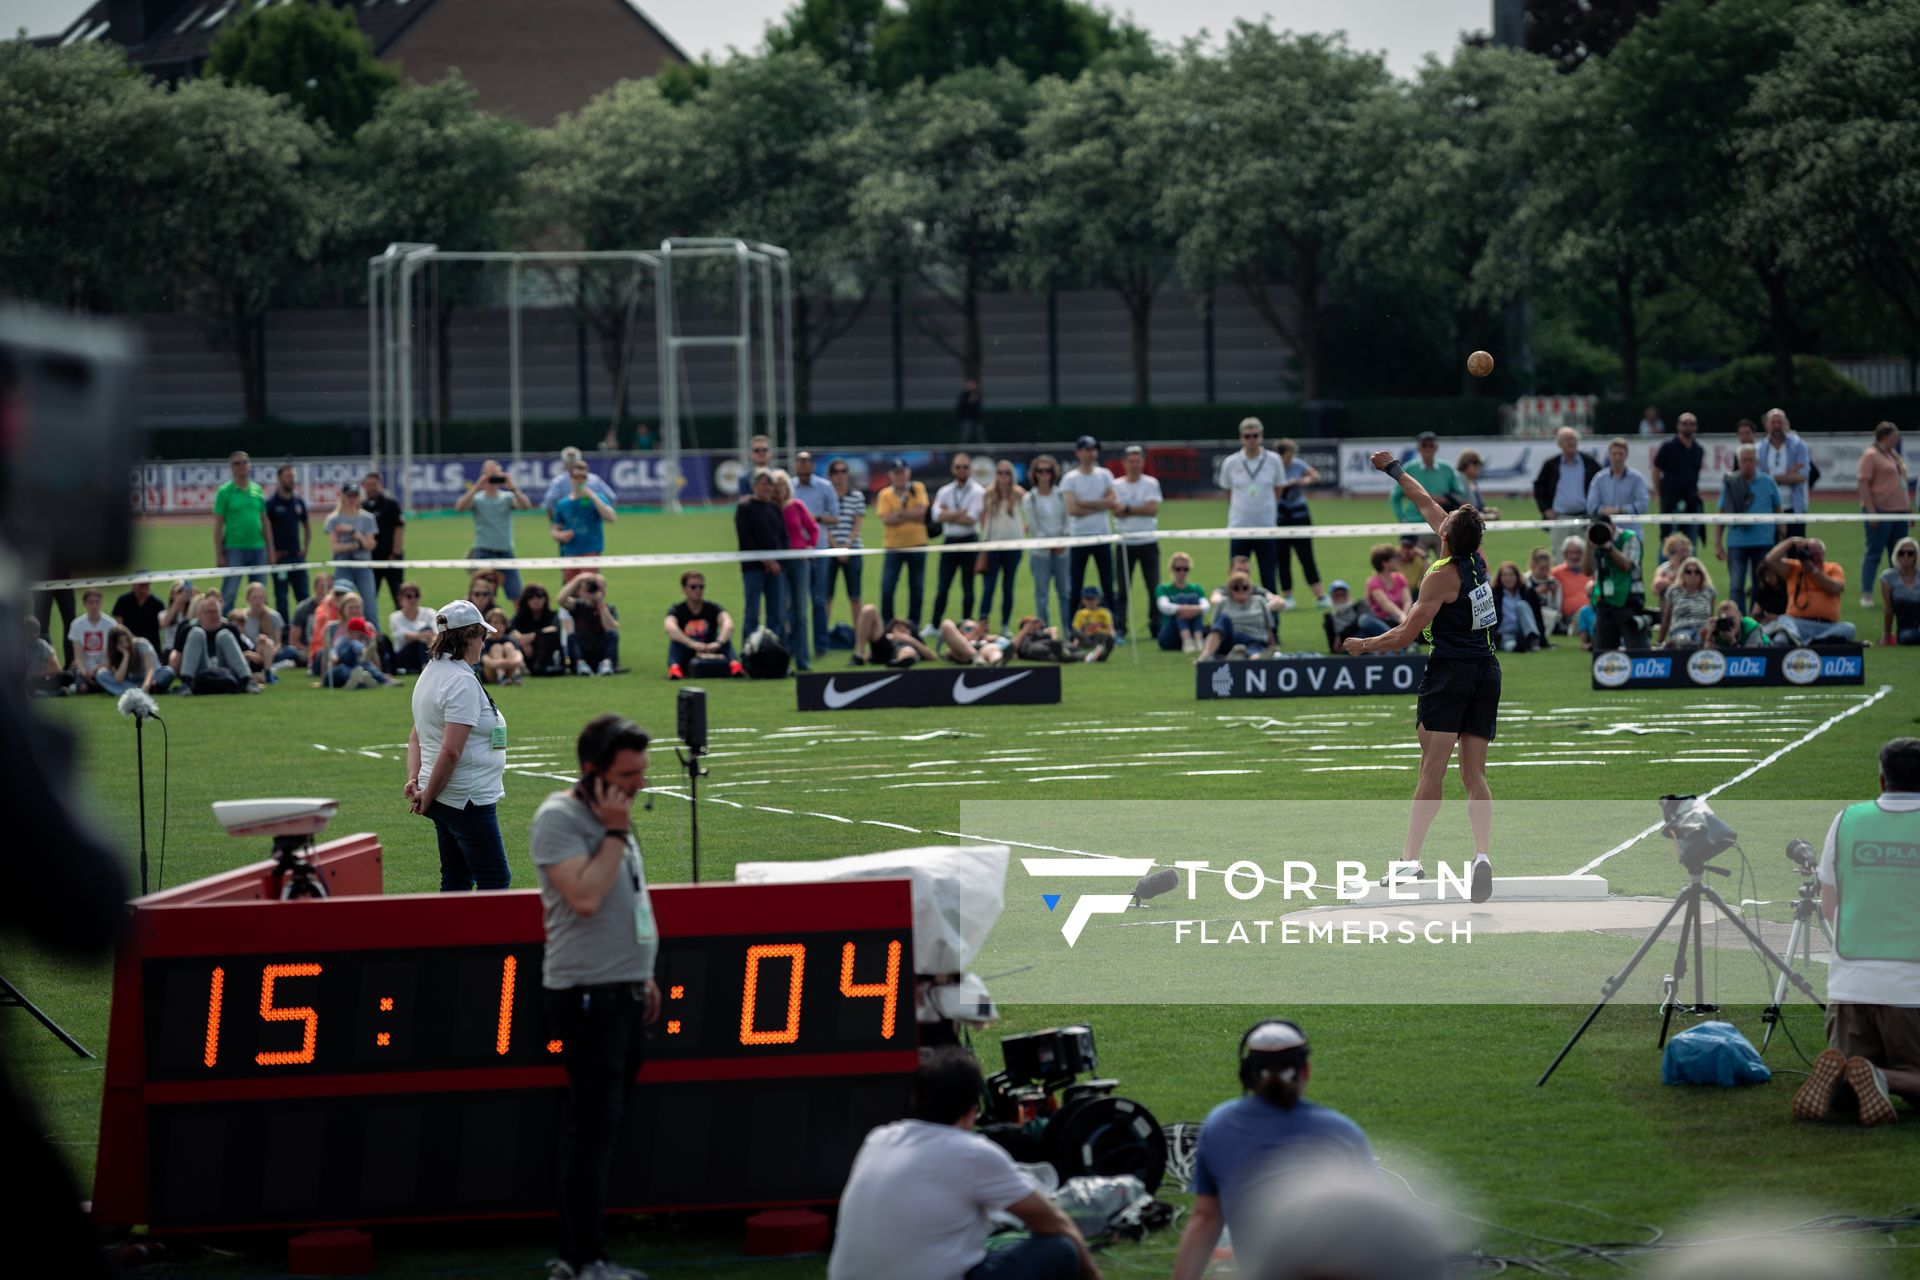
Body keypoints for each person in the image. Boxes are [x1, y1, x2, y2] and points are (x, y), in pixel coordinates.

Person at [528, 716, 660, 1280]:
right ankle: (583, 1259)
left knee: (601, 1129)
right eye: (628, 774)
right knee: (591, 1132)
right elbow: (583, 896)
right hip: (587, 998)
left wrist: (642, 972)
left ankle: (584, 1253)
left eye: (641, 772)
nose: (639, 784)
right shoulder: (560, 819)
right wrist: (612, 831)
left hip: (622, 992)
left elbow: (626, 901)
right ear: (592, 772)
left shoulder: (614, 818)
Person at [1343, 451, 1498, 903]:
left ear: (1446, 535)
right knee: (1475, 774)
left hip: (1450, 672)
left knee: (1432, 769)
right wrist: (1393, 470)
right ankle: (1482, 857)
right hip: (1487, 672)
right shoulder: (1477, 560)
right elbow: (1424, 500)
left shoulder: (1440, 577)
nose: (1439, 516)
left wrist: (1363, 646)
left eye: (1444, 520)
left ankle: (1409, 862)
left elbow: (1406, 634)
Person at [829, 1046, 1099, 1280]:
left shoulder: (879, 1138)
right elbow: (1056, 1224)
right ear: (971, 1111)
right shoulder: (972, 1152)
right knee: (1060, 1249)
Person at [1170, 1020, 1373, 1280]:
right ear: (1306, 1070)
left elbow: (1205, 1220)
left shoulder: (1220, 1125)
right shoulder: (1343, 1133)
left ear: (1247, 1074)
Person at [1790, 738, 1920, 1125]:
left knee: (1853, 1078)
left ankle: (1846, 1077)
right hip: (1911, 990)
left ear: (1882, 781)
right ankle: (1880, 1077)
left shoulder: (1847, 819)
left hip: (1849, 988)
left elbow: (1829, 906)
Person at [405, 600, 509, 891]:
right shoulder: (459, 681)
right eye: (482, 637)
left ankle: (447, 936)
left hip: (444, 795)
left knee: (456, 880)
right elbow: (451, 751)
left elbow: (416, 736)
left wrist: (415, 781)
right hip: (466, 798)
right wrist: (427, 793)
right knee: (495, 880)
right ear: (467, 636)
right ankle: (491, 938)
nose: (484, 644)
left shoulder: (432, 672)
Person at [1714, 441, 1783, 612]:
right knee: (1736, 585)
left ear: (1757, 461)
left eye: (1751, 460)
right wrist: (1717, 542)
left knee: (1759, 584)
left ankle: (1754, 620)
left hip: (1763, 541)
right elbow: (1721, 513)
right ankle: (1737, 620)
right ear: (1739, 461)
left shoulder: (1768, 482)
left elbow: (1778, 510)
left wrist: (1781, 537)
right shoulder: (1730, 482)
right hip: (1737, 542)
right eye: (1744, 460)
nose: (1748, 464)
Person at [1221, 418, 1286, 594]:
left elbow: (1278, 490)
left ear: (1261, 436)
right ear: (1241, 437)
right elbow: (1228, 492)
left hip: (1266, 527)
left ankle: (1271, 619)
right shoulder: (1230, 462)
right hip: (1239, 527)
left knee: (1269, 577)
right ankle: (1237, 618)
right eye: (1247, 436)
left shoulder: (1274, 460)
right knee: (1237, 578)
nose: (1251, 439)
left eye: (1255, 435)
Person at [1061, 436, 1118, 628]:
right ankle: (1073, 628)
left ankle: (1113, 627)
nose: (1091, 453)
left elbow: (1112, 501)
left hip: (1102, 536)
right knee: (1075, 588)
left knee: (1108, 586)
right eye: (1087, 449)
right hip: (1079, 539)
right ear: (1078, 452)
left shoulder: (1105, 474)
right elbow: (1072, 510)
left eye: (1094, 449)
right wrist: (1100, 505)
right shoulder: (1070, 478)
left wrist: (1085, 502)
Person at [457, 460, 532, 602]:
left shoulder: (507, 497)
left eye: (496, 475)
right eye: (489, 475)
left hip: (505, 550)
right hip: (483, 551)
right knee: (480, 595)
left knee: (517, 594)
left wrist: (513, 487)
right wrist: (476, 487)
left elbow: (526, 506)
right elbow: (460, 507)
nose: (493, 479)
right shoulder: (477, 499)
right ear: (483, 476)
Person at [211, 451, 274, 611]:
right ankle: (223, 628)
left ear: (249, 465)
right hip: (234, 548)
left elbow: (265, 521)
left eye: (244, 462)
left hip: (258, 548)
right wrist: (219, 553)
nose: (241, 466)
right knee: (229, 593)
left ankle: (262, 630)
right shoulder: (224, 491)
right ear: (231, 468)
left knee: (260, 593)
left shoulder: (257, 489)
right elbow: (218, 524)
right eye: (236, 463)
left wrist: (270, 550)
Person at [1111, 445, 1162, 637]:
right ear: (1124, 463)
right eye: (1130, 461)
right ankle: (1121, 627)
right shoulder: (1116, 485)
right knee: (1123, 590)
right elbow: (1115, 510)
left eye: (1138, 461)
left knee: (1153, 587)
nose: (1134, 465)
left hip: (1148, 540)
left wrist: (1127, 509)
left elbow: (1152, 509)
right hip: (1125, 543)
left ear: (1143, 462)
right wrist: (1135, 508)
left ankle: (1155, 626)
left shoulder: (1151, 483)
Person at [1858, 422, 1912, 605]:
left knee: (1899, 554)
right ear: (1885, 436)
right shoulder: (1871, 455)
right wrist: (1871, 512)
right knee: (1874, 553)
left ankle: (1898, 591)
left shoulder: (1893, 455)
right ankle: (1867, 593)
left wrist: (1908, 508)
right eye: (1894, 435)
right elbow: (1863, 483)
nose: (1897, 439)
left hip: (1899, 512)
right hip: (1881, 510)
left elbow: (1901, 484)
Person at [792, 451, 841, 653]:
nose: (803, 465)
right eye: (800, 461)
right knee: (794, 603)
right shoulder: (788, 486)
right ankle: (794, 644)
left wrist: (813, 519)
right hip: (795, 552)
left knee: (819, 600)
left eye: (807, 461)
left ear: (812, 465)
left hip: (819, 550)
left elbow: (835, 517)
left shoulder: (825, 487)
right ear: (795, 464)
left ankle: (821, 644)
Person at [1766, 536, 1855, 646]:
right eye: (1811, 555)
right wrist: (1791, 542)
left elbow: (1835, 587)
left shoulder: (1833, 568)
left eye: (1818, 554)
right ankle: (1800, 639)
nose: (1816, 558)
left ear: (1823, 554)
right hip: (1797, 624)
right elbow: (1770, 559)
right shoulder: (1795, 568)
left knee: (1848, 628)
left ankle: (1809, 642)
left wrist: (1813, 570)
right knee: (1784, 620)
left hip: (1826, 626)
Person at [773, 469, 821, 671]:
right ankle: (782, 659)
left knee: (800, 613)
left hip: (799, 562)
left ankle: (802, 659)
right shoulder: (769, 509)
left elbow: (813, 529)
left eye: (782, 486)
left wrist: (809, 546)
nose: (778, 491)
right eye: (775, 487)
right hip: (778, 564)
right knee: (781, 612)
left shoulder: (797, 506)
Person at [875, 459, 930, 631]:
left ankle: (914, 625)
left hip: (918, 545)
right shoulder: (884, 494)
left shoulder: (918, 488)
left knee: (917, 588)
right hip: (894, 547)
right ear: (890, 475)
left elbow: (922, 513)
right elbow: (886, 519)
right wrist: (909, 514)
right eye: (896, 472)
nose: (900, 476)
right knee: (888, 587)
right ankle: (888, 624)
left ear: (908, 473)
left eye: (902, 472)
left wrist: (898, 513)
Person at [1272, 439, 1328, 608]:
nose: (1290, 459)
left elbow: (1315, 475)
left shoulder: (1297, 465)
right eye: (1287, 456)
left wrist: (1304, 481)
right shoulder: (1273, 467)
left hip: (1300, 516)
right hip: (1280, 516)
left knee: (1306, 556)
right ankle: (1287, 596)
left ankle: (1320, 596)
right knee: (1283, 558)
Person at [736, 468, 788, 638]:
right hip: (753, 569)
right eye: (764, 484)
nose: (767, 488)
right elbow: (746, 539)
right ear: (754, 486)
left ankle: (775, 656)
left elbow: (783, 538)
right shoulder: (745, 507)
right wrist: (766, 561)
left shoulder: (774, 508)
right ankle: (749, 655)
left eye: (770, 484)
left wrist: (778, 562)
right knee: (752, 614)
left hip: (776, 569)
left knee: (777, 615)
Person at [1022, 454, 1071, 627]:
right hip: (1040, 553)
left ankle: (1068, 632)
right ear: (1034, 474)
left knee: (1065, 593)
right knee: (1041, 595)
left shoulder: (1060, 495)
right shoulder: (1029, 498)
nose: (1044, 474)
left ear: (1053, 473)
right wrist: (1051, 544)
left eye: (1048, 471)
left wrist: (1062, 541)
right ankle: (1046, 632)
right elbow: (1035, 527)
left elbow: (1067, 521)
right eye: (1040, 471)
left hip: (1062, 552)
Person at [1532, 426, 1601, 549]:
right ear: (1559, 444)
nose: (1571, 442)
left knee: (1586, 558)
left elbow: (1602, 483)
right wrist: (1545, 509)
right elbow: (1539, 487)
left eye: (1573, 439)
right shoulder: (1551, 464)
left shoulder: (1589, 462)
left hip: (1585, 519)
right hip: (1560, 519)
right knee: (1560, 558)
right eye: (1567, 439)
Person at [977, 460, 1026, 633]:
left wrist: (1021, 529)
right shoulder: (988, 494)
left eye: (1007, 473)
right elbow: (983, 520)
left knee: (1008, 587)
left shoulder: (1019, 493)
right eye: (1000, 472)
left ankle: (1005, 625)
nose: (1003, 476)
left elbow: (1028, 514)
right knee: (989, 587)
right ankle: (982, 623)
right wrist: (985, 543)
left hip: (1013, 546)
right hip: (993, 546)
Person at [1587, 512, 1648, 650]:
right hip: (1605, 601)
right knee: (1603, 650)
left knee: (1636, 647)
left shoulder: (1629, 538)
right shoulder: (1594, 540)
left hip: (1629, 599)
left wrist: (1610, 548)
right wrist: (1589, 546)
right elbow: (1587, 570)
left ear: (1612, 527)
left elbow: (1626, 565)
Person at [664, 571, 741, 678]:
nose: (698, 590)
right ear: (684, 589)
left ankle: (735, 665)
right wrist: (691, 643)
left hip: (710, 647)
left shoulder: (712, 608)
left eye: (701, 586)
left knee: (724, 637)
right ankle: (675, 668)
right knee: (676, 640)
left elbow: (728, 624)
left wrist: (718, 642)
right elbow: (669, 628)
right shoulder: (677, 610)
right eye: (693, 587)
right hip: (689, 649)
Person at [177, 591, 258, 694]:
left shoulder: (230, 628)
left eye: (216, 612)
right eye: (209, 612)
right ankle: (186, 683)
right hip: (202, 670)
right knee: (197, 633)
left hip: (224, 670)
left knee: (224, 635)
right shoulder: (188, 629)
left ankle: (246, 680)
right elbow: (177, 656)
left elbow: (244, 654)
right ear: (200, 614)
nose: (213, 616)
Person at [552, 461, 616, 581]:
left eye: (584, 477)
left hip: (590, 552)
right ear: (570, 478)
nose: (580, 480)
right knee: (571, 591)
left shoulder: (597, 498)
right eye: (577, 477)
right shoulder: (563, 504)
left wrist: (592, 496)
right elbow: (554, 530)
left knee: (588, 590)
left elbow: (611, 517)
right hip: (569, 553)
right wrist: (561, 535)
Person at [822, 458, 866, 632]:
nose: (840, 475)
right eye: (836, 472)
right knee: (826, 596)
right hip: (829, 551)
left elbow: (857, 524)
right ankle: (823, 634)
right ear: (830, 475)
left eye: (843, 471)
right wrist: (835, 547)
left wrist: (846, 545)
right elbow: (823, 526)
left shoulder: (857, 496)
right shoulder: (825, 497)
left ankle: (859, 632)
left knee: (855, 596)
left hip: (853, 549)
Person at [265, 463, 311, 621]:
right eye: (288, 476)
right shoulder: (271, 503)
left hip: (297, 558)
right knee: (282, 598)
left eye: (293, 476)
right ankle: (284, 632)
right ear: (279, 478)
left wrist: (305, 548)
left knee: (304, 596)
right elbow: (265, 529)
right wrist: (271, 552)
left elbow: (307, 526)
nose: (292, 480)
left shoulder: (299, 502)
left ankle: (305, 629)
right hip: (280, 559)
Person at [1196, 572, 1276, 662]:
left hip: (1255, 639)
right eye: (1236, 588)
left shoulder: (1259, 601)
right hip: (1230, 639)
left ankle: (1254, 658)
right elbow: (1215, 628)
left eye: (1244, 588)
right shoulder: (1223, 603)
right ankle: (1205, 657)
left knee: (1253, 648)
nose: (1241, 591)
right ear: (1230, 590)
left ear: (1250, 589)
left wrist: (1272, 645)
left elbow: (1269, 628)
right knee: (1224, 618)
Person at [1653, 412, 1706, 546]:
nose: (1688, 426)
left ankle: (1689, 566)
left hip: (1691, 499)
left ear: (1696, 427)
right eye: (1684, 423)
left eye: (1692, 423)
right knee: (1667, 540)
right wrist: (1658, 493)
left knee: (1690, 541)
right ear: (1678, 426)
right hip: (1671, 499)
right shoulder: (1667, 447)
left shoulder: (1698, 449)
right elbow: (1656, 469)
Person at [1758, 407, 1811, 540]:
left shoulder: (1798, 445)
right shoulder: (1759, 449)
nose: (1777, 426)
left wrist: (1772, 478)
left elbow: (1802, 476)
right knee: (1771, 552)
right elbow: (1758, 479)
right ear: (1766, 425)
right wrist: (1787, 476)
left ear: (1786, 423)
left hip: (1794, 507)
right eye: (1773, 422)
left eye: (1780, 422)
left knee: (1796, 551)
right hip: (1768, 508)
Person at [1585, 436, 1650, 541]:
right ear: (1609, 455)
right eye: (1614, 454)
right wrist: (1604, 511)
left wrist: (1620, 510)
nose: (1617, 458)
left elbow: (1643, 505)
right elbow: (1591, 506)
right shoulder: (1599, 478)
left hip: (1631, 535)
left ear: (1626, 455)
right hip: (1605, 535)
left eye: (1621, 454)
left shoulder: (1637, 478)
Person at [324, 482, 379, 604]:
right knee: (342, 604)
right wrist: (356, 545)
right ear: (343, 496)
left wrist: (354, 532)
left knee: (370, 605)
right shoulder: (333, 519)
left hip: (363, 566)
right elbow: (335, 547)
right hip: (343, 565)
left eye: (355, 495)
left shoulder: (368, 518)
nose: (352, 499)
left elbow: (369, 545)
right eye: (349, 495)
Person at [558, 572, 621, 676]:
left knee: (613, 635)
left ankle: (606, 664)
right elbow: (561, 599)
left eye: (599, 587)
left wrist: (600, 604)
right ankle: (580, 664)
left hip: (600, 649)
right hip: (583, 649)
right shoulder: (578, 605)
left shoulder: (609, 609)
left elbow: (610, 628)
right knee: (572, 637)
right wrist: (578, 579)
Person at [359, 471, 405, 611]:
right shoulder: (361, 507)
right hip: (371, 560)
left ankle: (402, 627)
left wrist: (395, 553)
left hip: (391, 558)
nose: (372, 487)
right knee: (370, 597)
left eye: (374, 484)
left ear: (381, 485)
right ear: (364, 486)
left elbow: (399, 528)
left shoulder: (391, 504)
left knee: (398, 595)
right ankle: (370, 628)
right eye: (369, 485)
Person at [326, 593, 393, 689]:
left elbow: (374, 653)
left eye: (357, 607)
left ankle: (365, 678)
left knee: (364, 665)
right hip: (343, 663)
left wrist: (379, 670)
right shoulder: (333, 628)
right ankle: (367, 672)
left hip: (361, 665)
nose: (354, 611)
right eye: (351, 608)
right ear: (343, 609)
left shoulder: (368, 627)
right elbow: (330, 652)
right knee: (354, 645)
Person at [93, 625, 174, 697]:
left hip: (151, 678)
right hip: (132, 681)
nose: (125, 644)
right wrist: (126, 656)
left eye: (127, 640)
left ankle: (132, 691)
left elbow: (150, 669)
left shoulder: (142, 644)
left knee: (168, 671)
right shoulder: (115, 653)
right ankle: (138, 691)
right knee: (101, 674)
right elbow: (119, 679)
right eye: (120, 642)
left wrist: (146, 685)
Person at [511, 583, 569, 677]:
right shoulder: (521, 616)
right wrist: (522, 641)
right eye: (531, 597)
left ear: (545, 599)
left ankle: (540, 667)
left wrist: (533, 636)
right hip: (527, 654)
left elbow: (554, 628)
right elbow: (511, 629)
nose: (535, 600)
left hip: (546, 655)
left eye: (539, 596)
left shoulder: (552, 615)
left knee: (547, 636)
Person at [1156, 552, 1210, 652]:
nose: (1182, 572)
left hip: (1193, 626)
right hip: (1171, 634)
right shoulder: (1163, 588)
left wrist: (1191, 609)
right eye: (1178, 569)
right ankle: (1188, 640)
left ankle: (1197, 640)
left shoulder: (1197, 588)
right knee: (1181, 598)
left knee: (1193, 598)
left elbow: (1206, 606)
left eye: (1185, 569)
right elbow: (1164, 606)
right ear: (1172, 569)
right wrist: (1185, 608)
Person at [850, 607, 938, 668]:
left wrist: (909, 639)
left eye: (906, 628)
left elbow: (932, 656)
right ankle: (858, 655)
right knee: (869, 609)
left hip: (905, 648)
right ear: (891, 630)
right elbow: (870, 654)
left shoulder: (914, 641)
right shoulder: (887, 637)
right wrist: (891, 636)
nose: (902, 628)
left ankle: (900, 661)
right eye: (898, 627)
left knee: (908, 650)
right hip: (886, 647)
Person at [542, 446, 618, 514]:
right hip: (590, 521)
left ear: (563, 461)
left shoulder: (558, 481)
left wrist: (555, 522)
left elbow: (549, 502)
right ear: (579, 460)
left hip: (567, 522)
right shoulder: (594, 479)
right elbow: (611, 497)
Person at [1660, 558, 1716, 648]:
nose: (1693, 575)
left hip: (1702, 630)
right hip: (1681, 629)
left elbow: (1711, 616)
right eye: (1689, 572)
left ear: (1702, 575)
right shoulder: (1673, 591)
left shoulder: (1709, 591)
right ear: (1683, 574)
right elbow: (1666, 618)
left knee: (1703, 639)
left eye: (1697, 572)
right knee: (1684, 640)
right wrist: (1660, 641)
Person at [66, 588, 115, 689]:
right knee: (82, 688)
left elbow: (113, 654)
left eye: (97, 602)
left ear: (101, 603)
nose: (94, 606)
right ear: (85, 604)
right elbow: (78, 657)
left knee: (104, 679)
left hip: (105, 668)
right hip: (85, 669)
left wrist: (102, 667)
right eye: (90, 602)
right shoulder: (76, 625)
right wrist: (85, 672)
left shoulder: (111, 624)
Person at [1492, 561, 1545, 653]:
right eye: (1505, 575)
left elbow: (1537, 615)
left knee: (1522, 605)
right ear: (1500, 578)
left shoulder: (1527, 592)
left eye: (1511, 575)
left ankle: (1532, 638)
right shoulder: (1494, 594)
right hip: (1504, 633)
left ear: (1517, 576)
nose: (1508, 578)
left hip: (1522, 629)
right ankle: (1518, 646)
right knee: (1509, 644)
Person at [1323, 579, 1389, 653]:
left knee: (1365, 620)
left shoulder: (1359, 606)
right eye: (1337, 595)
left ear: (1348, 595)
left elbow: (1365, 620)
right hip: (1353, 645)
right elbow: (1334, 647)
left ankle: (1392, 641)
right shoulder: (1330, 618)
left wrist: (1341, 636)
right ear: (1332, 597)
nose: (1341, 597)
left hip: (1369, 636)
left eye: (1343, 594)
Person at [388, 582, 438, 675]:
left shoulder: (430, 612)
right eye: (409, 596)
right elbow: (403, 635)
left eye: (416, 596)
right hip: (404, 656)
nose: (413, 599)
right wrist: (420, 636)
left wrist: (425, 636)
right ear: (401, 599)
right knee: (422, 637)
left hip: (428, 648)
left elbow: (436, 632)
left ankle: (426, 666)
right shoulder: (395, 617)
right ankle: (426, 668)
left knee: (425, 635)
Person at [1881, 537, 1920, 646]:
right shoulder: (1888, 577)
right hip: (1906, 628)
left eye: (1910, 553)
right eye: (1902, 553)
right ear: (1896, 555)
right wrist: (1886, 636)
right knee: (1907, 637)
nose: (1906, 556)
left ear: (1916, 556)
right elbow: (1888, 609)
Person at [1363, 544, 1411, 630]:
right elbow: (1384, 603)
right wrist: (1401, 615)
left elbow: (1407, 600)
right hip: (1382, 621)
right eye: (1395, 558)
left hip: (1401, 619)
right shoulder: (1373, 582)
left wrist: (1404, 616)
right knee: (1365, 620)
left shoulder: (1399, 578)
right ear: (1384, 563)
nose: (1398, 560)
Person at [111, 579, 164, 653]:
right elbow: (118, 625)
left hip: (151, 645)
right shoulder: (123, 600)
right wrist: (130, 637)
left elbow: (162, 625)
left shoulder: (157, 603)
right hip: (128, 644)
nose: (139, 589)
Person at [1068, 585, 1115, 663]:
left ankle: (1098, 652)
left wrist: (1112, 638)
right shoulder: (1081, 613)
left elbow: (1110, 627)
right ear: (1082, 600)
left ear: (1099, 599)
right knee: (1076, 630)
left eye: (1092, 599)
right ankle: (1094, 652)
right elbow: (1077, 629)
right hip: (1086, 638)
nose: (1090, 602)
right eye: (1087, 599)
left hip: (1100, 637)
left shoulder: (1104, 612)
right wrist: (1075, 642)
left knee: (1102, 635)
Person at [938, 618, 1009, 667]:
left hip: (982, 650)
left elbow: (1010, 646)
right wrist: (973, 635)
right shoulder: (958, 639)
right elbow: (947, 627)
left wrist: (986, 636)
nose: (974, 630)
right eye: (968, 629)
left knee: (992, 648)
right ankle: (977, 658)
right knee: (947, 623)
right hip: (966, 653)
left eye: (975, 627)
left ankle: (997, 664)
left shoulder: (987, 638)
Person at [1453, 449, 1501, 521]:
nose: (1478, 466)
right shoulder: (1459, 479)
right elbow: (1460, 506)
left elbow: (1477, 506)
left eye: (1479, 463)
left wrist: (1488, 510)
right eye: (1475, 463)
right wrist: (1486, 516)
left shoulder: (1472, 481)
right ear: (1466, 464)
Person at [480, 609, 525, 685]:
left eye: (502, 623)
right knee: (496, 647)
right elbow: (484, 659)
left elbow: (519, 655)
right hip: (491, 672)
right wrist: (499, 662)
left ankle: (516, 675)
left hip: (509, 668)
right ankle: (501, 675)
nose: (499, 626)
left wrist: (512, 662)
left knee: (508, 646)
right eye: (495, 622)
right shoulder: (486, 641)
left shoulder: (511, 640)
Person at [1526, 547, 1563, 634]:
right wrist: (1536, 592)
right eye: (1541, 569)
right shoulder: (1526, 580)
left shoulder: (1554, 582)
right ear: (1533, 566)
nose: (1544, 572)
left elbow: (1557, 608)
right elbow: (1523, 602)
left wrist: (1553, 594)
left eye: (1546, 569)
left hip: (1550, 615)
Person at [1652, 533, 1694, 602]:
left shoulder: (1694, 568)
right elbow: (1656, 588)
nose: (1687, 554)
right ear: (1672, 553)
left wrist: (1669, 581)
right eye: (1682, 551)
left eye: (1688, 551)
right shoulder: (1663, 568)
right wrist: (1676, 570)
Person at [734, 434, 775, 501]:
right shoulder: (744, 479)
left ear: (770, 453)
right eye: (756, 450)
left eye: (764, 450)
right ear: (750, 455)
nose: (761, 453)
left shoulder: (778, 476)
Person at [954, 378, 986, 446]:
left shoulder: (978, 394)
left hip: (977, 418)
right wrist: (969, 402)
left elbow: (979, 407)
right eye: (971, 385)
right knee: (965, 435)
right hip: (967, 419)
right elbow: (960, 407)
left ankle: (983, 449)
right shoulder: (963, 395)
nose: (972, 386)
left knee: (980, 435)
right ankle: (962, 449)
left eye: (973, 385)